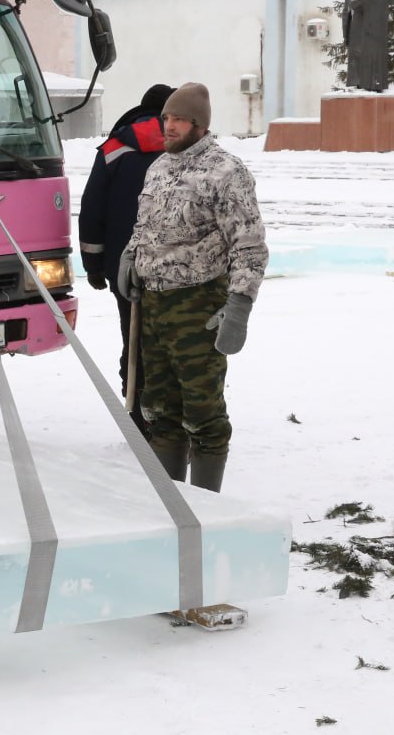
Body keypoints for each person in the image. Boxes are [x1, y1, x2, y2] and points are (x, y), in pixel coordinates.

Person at [117, 83, 268, 493]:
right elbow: (145, 225)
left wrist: (239, 306)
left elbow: (249, 246)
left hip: (198, 305)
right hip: (154, 307)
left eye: (178, 119)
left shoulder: (226, 172)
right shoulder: (160, 167)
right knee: (160, 411)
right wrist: (131, 256)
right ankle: (173, 508)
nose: (168, 125)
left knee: (202, 413)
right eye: (166, 117)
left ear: (199, 125)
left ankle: (206, 508)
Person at [78, 83, 174, 436]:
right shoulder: (187, 146)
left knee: (133, 338)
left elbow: (92, 209)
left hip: (125, 269)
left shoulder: (115, 148)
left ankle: (136, 413)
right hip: (180, 270)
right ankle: (173, 419)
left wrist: (94, 265)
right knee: (174, 339)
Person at [342, 0, 394, 92]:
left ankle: (372, 83)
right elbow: (346, 11)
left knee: (370, 55)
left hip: (372, 27)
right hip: (356, 26)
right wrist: (346, 34)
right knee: (356, 55)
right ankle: (358, 83)